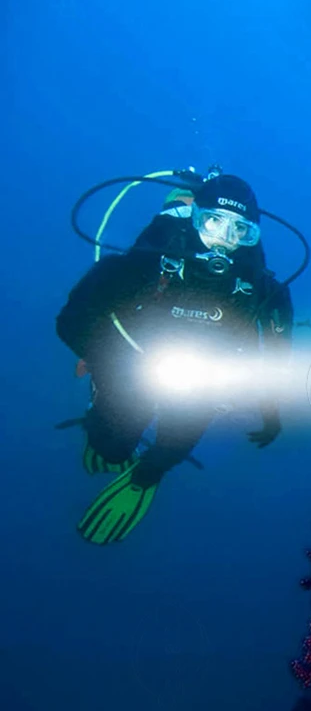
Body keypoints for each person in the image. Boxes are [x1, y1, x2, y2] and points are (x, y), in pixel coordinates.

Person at [57, 174, 294, 544]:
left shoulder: (263, 289)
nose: (224, 238)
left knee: (172, 448)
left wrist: (271, 412)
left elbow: (278, 359)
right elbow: (70, 322)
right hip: (132, 365)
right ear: (196, 218)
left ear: (252, 235)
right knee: (111, 447)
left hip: (203, 379)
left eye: (240, 229)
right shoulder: (144, 264)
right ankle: (103, 419)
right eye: (213, 221)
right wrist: (104, 361)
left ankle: (144, 477)